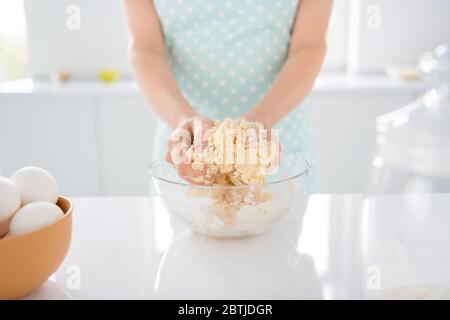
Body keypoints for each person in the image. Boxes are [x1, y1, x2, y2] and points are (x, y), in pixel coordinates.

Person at [122, 0, 332, 192]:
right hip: (186, 150)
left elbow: (309, 45)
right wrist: (183, 119)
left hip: (283, 142)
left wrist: (262, 120)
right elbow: (146, 49)